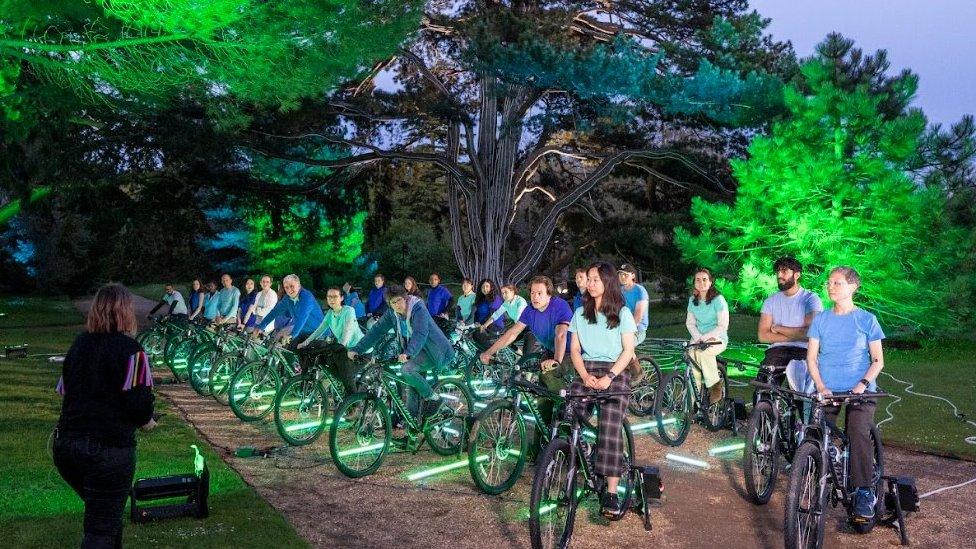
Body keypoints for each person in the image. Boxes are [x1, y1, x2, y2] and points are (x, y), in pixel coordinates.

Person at [53, 284, 156, 547]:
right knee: (101, 529)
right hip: (106, 451)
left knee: (106, 517)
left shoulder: (79, 344)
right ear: (126, 312)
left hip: (66, 447)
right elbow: (140, 406)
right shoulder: (132, 350)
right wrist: (147, 420)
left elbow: (64, 389)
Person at [807, 266, 885, 521]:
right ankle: (817, 474)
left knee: (857, 431)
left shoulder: (867, 320)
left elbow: (877, 361)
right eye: (829, 283)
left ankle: (864, 491)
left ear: (853, 287)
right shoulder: (821, 320)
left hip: (860, 391)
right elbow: (811, 358)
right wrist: (820, 386)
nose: (830, 286)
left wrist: (862, 384)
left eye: (837, 283)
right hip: (828, 389)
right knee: (817, 431)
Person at [568, 262, 637, 519]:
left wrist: (609, 376)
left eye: (596, 279)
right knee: (568, 410)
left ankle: (611, 491)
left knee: (609, 424)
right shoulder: (580, 313)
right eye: (589, 279)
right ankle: (581, 453)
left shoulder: (622, 313)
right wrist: (585, 375)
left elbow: (628, 351)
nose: (591, 282)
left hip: (615, 370)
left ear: (608, 282)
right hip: (586, 368)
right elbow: (574, 350)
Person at [479, 276, 573, 433]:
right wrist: (489, 352)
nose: (535, 297)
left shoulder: (559, 305)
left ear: (549, 294)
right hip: (550, 351)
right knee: (542, 398)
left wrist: (556, 361)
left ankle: (566, 416)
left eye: (539, 293)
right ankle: (541, 447)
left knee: (550, 379)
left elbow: (561, 335)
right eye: (532, 293)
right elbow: (512, 334)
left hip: (572, 351)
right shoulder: (529, 311)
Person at [350, 284, 456, 422]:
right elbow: (376, 331)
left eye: (399, 300)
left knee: (407, 370)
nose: (397, 304)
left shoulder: (418, 308)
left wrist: (408, 353)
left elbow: (420, 333)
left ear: (405, 298)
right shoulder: (392, 314)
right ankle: (411, 427)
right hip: (414, 352)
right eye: (393, 302)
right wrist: (357, 349)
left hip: (434, 351)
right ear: (389, 304)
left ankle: (434, 399)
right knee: (412, 387)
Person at [757, 256, 824, 387]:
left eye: (784, 271)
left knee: (799, 392)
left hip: (804, 351)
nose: (779, 275)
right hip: (777, 351)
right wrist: (796, 335)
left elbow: (811, 334)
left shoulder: (811, 299)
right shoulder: (770, 301)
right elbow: (763, 336)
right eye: (777, 271)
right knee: (763, 388)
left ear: (797, 275)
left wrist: (779, 329)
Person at [297, 286, 365, 394]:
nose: (331, 299)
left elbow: (348, 331)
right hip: (344, 348)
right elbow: (319, 331)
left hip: (359, 349)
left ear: (342, 298)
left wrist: (340, 346)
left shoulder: (349, 310)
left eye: (335, 296)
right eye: (329, 297)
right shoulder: (330, 313)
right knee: (325, 362)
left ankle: (354, 404)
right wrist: (305, 343)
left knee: (345, 374)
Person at [685, 268, 730, 404]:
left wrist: (706, 338)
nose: (701, 282)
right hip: (698, 338)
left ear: (710, 282)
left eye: (705, 279)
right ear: (694, 283)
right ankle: (693, 401)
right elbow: (690, 323)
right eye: (698, 279)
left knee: (704, 353)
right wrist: (699, 337)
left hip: (717, 338)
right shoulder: (692, 300)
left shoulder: (718, 300)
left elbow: (723, 325)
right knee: (691, 357)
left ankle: (715, 386)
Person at [255, 274, 324, 344]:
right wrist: (261, 326)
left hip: (319, 335)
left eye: (292, 286)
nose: (289, 290)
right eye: (286, 287)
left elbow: (302, 317)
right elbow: (275, 312)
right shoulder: (288, 298)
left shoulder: (307, 297)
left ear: (299, 285)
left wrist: (292, 335)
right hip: (303, 333)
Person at [618, 264, 649, 346]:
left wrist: (624, 332)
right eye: (620, 274)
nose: (623, 277)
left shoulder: (640, 291)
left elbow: (637, 318)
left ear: (633, 276)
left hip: (637, 331)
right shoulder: (619, 291)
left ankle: (633, 358)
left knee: (623, 346)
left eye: (626, 274)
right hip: (622, 328)